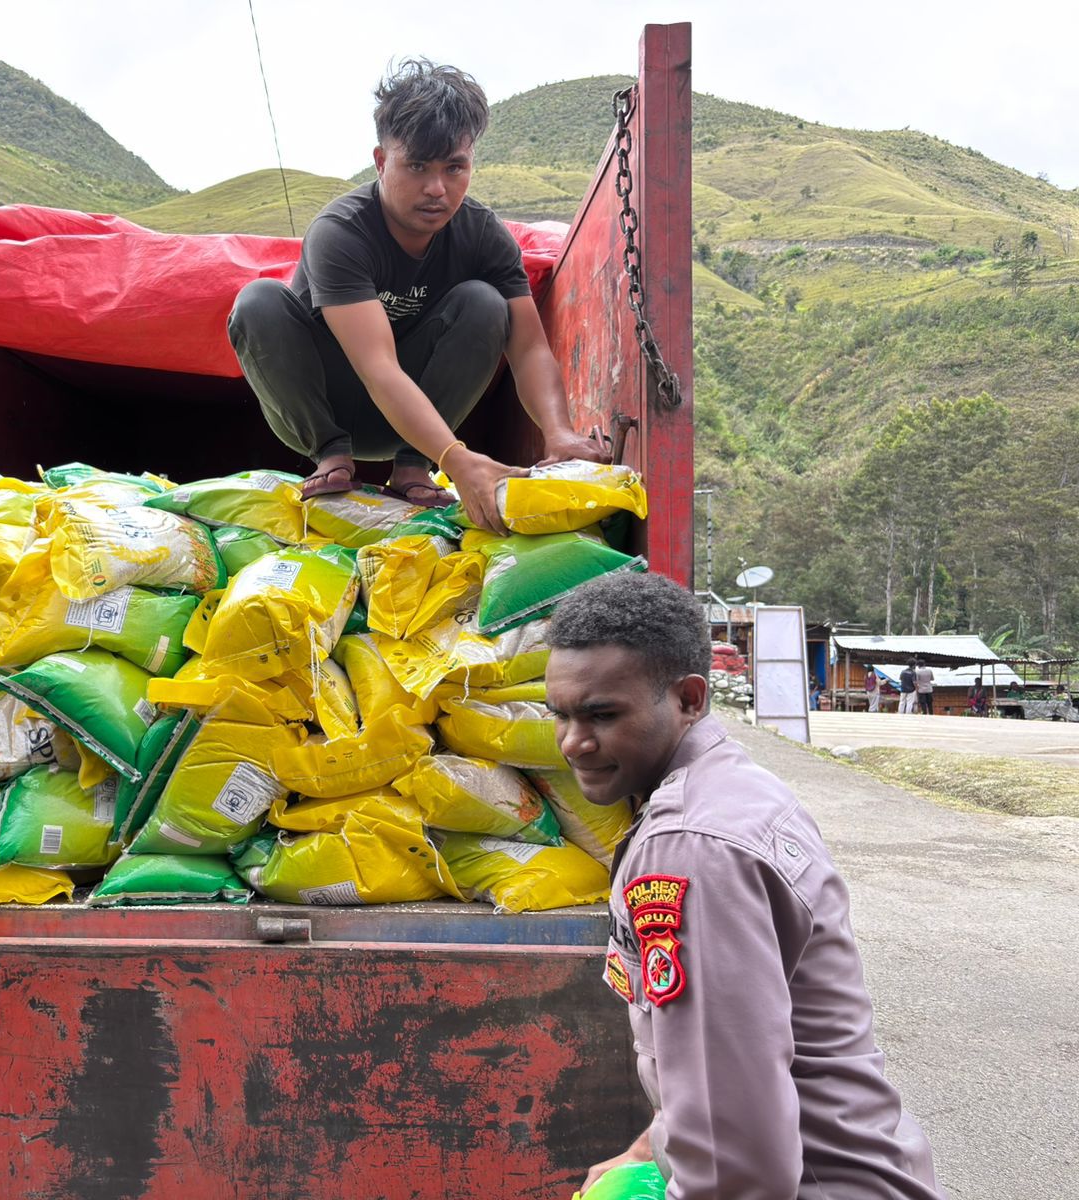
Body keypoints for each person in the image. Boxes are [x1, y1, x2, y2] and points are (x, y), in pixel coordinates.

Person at [542, 573, 942, 1198]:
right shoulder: (728, 785)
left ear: (689, 698)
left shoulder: (688, 847)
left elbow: (736, 1168)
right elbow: (713, 1065)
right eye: (560, 715)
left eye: (602, 715)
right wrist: (644, 1151)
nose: (573, 742)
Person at [227, 60, 609, 534]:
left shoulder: (483, 235)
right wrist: (459, 459)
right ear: (381, 161)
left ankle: (412, 467)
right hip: (326, 406)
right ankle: (331, 455)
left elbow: (529, 347)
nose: (436, 189)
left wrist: (559, 433)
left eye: (454, 168)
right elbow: (378, 367)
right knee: (258, 301)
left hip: (419, 422)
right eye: (417, 166)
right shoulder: (340, 232)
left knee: (485, 302)